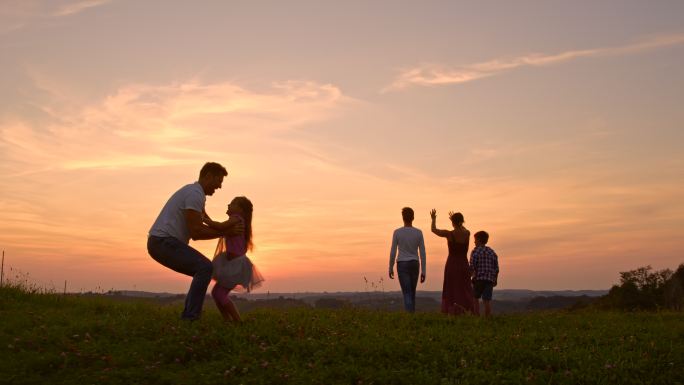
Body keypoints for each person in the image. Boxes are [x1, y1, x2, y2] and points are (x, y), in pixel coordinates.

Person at [147, 162, 243, 320]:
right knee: (204, 267)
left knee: (203, 269)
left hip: (161, 243)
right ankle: (190, 318)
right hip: (162, 242)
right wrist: (225, 232)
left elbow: (205, 223)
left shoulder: (194, 193)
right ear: (208, 176)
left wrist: (224, 230)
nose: (219, 187)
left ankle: (190, 316)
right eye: (218, 181)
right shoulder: (195, 194)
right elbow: (196, 232)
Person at [206, 196, 264, 322]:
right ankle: (226, 320)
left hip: (236, 266)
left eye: (232, 203)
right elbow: (218, 227)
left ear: (240, 210)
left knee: (220, 295)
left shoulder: (237, 219)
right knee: (216, 294)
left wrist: (203, 219)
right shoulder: (235, 221)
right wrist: (204, 216)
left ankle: (238, 321)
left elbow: (220, 227)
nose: (228, 204)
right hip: (230, 263)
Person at [430, 209, 475, 315]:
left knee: (451, 287)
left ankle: (452, 311)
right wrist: (456, 221)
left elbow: (434, 229)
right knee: (464, 288)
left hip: (452, 264)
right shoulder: (467, 233)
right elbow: (463, 228)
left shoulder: (449, 234)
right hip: (464, 263)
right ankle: (466, 310)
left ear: (452, 222)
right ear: (462, 221)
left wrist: (433, 219)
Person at [388, 207, 427, 313]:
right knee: (412, 291)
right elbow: (422, 253)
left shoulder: (397, 232)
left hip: (402, 264)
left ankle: (409, 317)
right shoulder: (418, 233)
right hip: (415, 263)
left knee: (407, 292)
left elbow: (393, 251)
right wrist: (424, 270)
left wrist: (390, 267)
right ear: (413, 217)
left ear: (402, 218)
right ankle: (412, 315)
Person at [470, 231, 499, 317]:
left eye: (475, 240)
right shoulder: (492, 252)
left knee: (475, 298)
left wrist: (470, 277)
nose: (474, 242)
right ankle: (487, 318)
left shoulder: (475, 251)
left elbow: (472, 266)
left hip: (479, 279)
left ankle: (477, 316)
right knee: (487, 300)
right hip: (489, 280)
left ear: (478, 240)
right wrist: (495, 280)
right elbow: (496, 268)